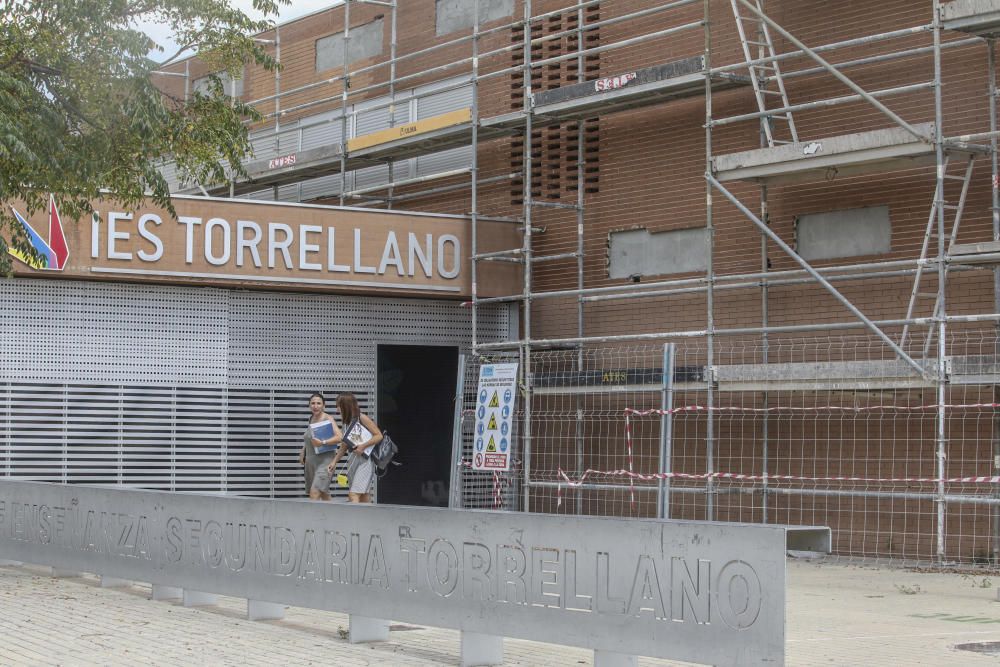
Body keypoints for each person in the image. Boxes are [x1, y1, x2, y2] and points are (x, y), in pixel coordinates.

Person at [328, 392, 382, 503]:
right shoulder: (346, 422)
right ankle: (368, 518)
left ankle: (354, 519)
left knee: (354, 494)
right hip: (352, 460)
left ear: (346, 405)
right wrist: (334, 462)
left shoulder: (362, 418)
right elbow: (344, 445)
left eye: (339, 406)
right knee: (363, 495)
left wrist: (363, 446)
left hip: (365, 460)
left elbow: (379, 435)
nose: (337, 409)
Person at [299, 392, 343, 501]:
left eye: (318, 403)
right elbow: (311, 438)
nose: (315, 406)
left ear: (324, 405)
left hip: (325, 462)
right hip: (311, 462)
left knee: (315, 493)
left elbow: (340, 437)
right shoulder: (311, 418)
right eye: (313, 403)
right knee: (323, 494)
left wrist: (323, 442)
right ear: (309, 405)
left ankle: (311, 518)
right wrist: (303, 451)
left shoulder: (328, 418)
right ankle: (332, 516)